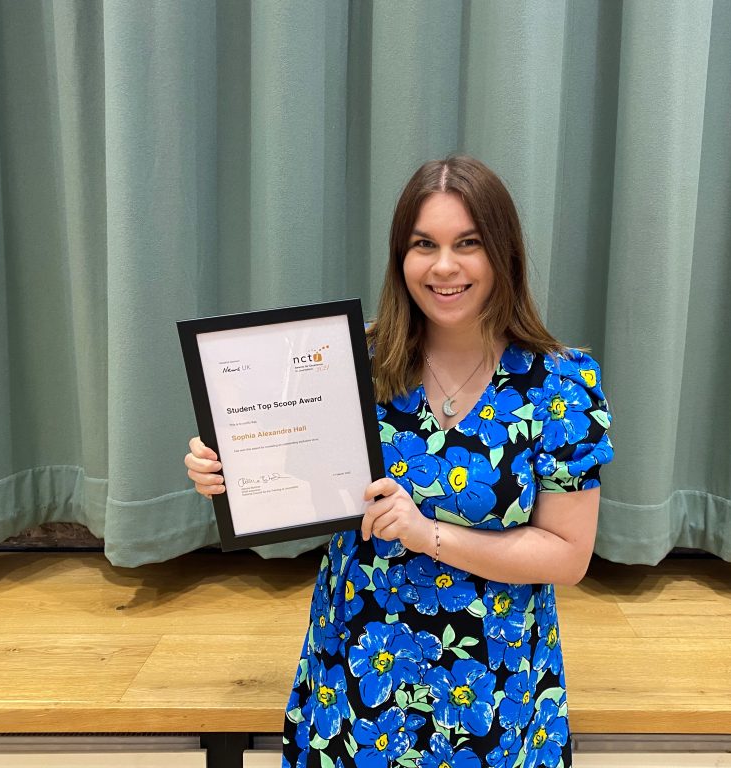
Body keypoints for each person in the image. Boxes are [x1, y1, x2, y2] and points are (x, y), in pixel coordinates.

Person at [185, 155, 614, 768]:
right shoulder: (345, 360)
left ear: (504, 254)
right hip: (357, 686)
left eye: (468, 243)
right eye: (423, 245)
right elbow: (290, 477)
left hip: (497, 696)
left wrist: (426, 533)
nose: (444, 266)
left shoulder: (563, 385)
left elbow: (568, 555)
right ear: (400, 257)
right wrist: (228, 469)